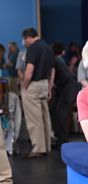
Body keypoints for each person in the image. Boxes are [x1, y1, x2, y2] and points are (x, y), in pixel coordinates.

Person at [21, 27, 55, 158]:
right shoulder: (47, 47)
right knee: (45, 117)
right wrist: (49, 88)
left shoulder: (33, 48)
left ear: (28, 37)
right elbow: (52, 70)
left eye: (24, 40)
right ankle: (46, 145)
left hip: (34, 85)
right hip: (45, 83)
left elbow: (29, 69)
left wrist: (24, 86)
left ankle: (39, 148)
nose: (25, 42)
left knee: (34, 119)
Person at [50, 43, 78, 147]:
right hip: (65, 90)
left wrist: (51, 87)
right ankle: (60, 139)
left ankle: (63, 140)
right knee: (56, 112)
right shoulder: (59, 60)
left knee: (60, 114)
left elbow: (53, 75)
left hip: (66, 91)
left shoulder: (54, 60)